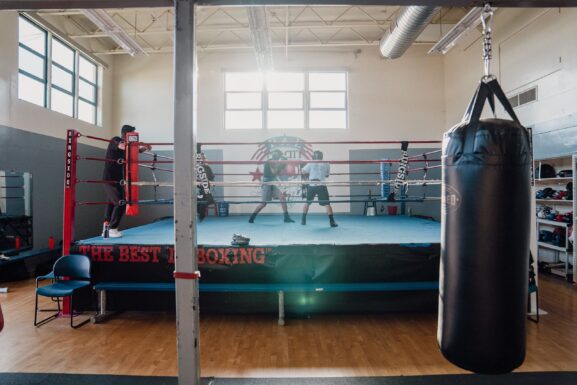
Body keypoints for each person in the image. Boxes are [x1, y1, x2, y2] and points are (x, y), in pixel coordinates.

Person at [102, 125, 150, 238]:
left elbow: (134, 151)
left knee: (112, 203)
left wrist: (145, 147)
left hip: (118, 180)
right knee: (121, 202)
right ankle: (113, 229)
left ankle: (106, 228)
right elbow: (124, 146)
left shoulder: (128, 147)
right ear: (127, 134)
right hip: (109, 178)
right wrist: (139, 143)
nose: (134, 136)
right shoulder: (116, 140)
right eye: (132, 134)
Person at [248, 149, 295, 224]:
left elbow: (278, 173)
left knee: (282, 197)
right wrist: (281, 165)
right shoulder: (270, 161)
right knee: (263, 203)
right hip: (266, 183)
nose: (278, 157)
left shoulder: (276, 162)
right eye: (278, 156)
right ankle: (252, 217)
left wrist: (283, 165)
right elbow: (274, 172)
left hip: (272, 183)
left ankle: (286, 217)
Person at [301, 150, 338, 227]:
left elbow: (303, 171)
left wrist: (311, 172)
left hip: (312, 185)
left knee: (307, 202)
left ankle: (303, 220)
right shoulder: (326, 164)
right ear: (321, 156)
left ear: (313, 156)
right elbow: (327, 175)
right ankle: (332, 222)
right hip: (321, 185)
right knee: (327, 204)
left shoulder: (310, 163)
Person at [197, 151, 215, 222]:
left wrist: (212, 183)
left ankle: (201, 215)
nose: (204, 159)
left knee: (205, 199)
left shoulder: (207, 167)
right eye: (203, 158)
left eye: (204, 158)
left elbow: (211, 177)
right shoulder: (195, 167)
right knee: (201, 199)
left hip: (205, 187)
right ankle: (200, 214)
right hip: (197, 187)